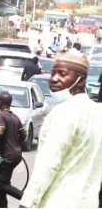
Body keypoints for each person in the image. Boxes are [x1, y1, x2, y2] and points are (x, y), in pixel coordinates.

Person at [20, 50, 102, 207]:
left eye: (63, 74)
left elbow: (48, 165)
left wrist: (27, 203)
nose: (54, 79)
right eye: (53, 73)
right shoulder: (97, 113)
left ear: (81, 81)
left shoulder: (63, 113)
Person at [0, 92, 26, 208]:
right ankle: (2, 206)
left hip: (6, 157)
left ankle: (28, 199)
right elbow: (23, 134)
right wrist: (16, 145)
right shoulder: (15, 117)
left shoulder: (0, 116)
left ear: (0, 102)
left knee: (1, 184)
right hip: (14, 156)